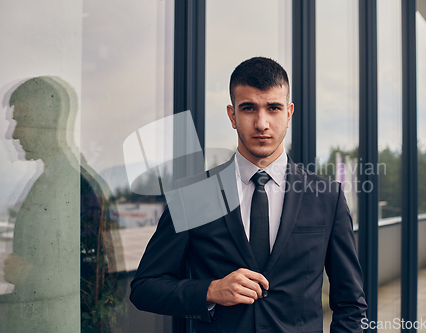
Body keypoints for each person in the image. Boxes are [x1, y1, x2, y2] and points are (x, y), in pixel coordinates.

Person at [130, 57, 367, 332]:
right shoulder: (193, 196)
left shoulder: (327, 197)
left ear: (289, 113)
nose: (262, 123)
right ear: (232, 115)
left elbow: (351, 304)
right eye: (248, 108)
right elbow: (145, 288)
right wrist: (210, 290)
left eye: (273, 108)